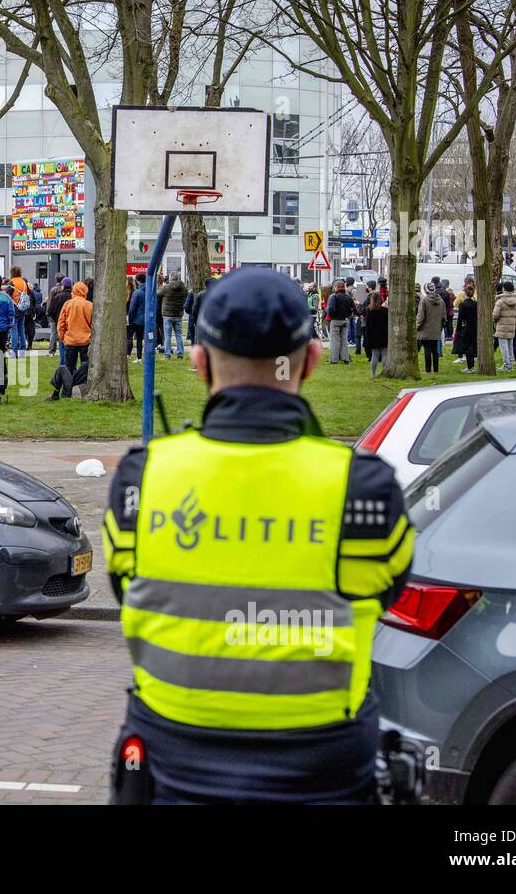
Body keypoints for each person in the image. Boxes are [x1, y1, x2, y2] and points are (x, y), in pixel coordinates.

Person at [102, 266, 411, 804]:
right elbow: (387, 589)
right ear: (310, 360)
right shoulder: (362, 486)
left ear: (199, 363)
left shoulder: (142, 478)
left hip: (172, 767)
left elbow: (129, 589)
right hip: (323, 772)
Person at [57, 280, 93, 373]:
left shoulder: (68, 304)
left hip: (70, 340)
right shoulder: (90, 305)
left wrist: (62, 337)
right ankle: (83, 385)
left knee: (69, 367)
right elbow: (93, 324)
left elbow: (61, 322)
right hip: (85, 340)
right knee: (85, 367)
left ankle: (69, 385)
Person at [416, 282, 446, 374]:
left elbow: (421, 317)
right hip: (436, 329)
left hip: (425, 330)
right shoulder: (441, 301)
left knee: (427, 350)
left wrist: (417, 327)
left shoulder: (424, 301)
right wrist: (440, 327)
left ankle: (428, 370)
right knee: (435, 351)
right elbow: (444, 317)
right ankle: (436, 370)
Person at [325, 279, 355, 364]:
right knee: (344, 340)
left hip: (335, 320)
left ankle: (334, 359)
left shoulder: (333, 296)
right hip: (345, 320)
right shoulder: (348, 297)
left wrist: (327, 311)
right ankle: (345, 358)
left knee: (335, 341)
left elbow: (331, 309)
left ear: (336, 287)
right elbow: (353, 308)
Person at [492, 281, 516, 371]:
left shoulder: (500, 301)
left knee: (503, 347)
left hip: (501, 327)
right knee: (510, 345)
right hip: (511, 326)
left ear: (504, 289)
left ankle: (507, 364)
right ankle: (511, 362)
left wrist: (494, 321)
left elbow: (495, 315)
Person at [160, 271, 187, 360]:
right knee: (178, 335)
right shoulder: (183, 288)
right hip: (178, 314)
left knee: (167, 336)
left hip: (167, 314)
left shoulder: (166, 288)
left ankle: (167, 355)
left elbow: (158, 294)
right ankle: (180, 354)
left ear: (170, 278)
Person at [46, 278, 73, 363]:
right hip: (71, 323)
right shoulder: (73, 296)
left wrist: (56, 318)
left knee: (61, 341)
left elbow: (50, 311)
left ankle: (62, 363)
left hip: (60, 322)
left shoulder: (58, 296)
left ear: (63, 286)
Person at [453, 281, 477, 373]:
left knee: (466, 347)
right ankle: (471, 366)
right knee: (471, 346)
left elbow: (460, 318)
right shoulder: (475, 304)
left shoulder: (463, 305)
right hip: (473, 327)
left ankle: (469, 367)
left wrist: (458, 329)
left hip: (465, 327)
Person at [364, 290, 388, 377]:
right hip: (384, 334)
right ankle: (385, 371)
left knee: (375, 355)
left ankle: (373, 373)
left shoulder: (368, 310)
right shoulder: (385, 311)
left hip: (372, 335)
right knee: (385, 353)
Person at [7, 265, 30, 354]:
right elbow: (28, 293)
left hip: (14, 309)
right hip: (22, 309)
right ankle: (23, 349)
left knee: (14, 330)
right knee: (21, 329)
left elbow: (8, 296)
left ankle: (14, 350)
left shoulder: (11, 282)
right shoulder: (24, 282)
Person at [127, 274, 146, 361]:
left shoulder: (137, 293)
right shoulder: (149, 292)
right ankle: (139, 357)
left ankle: (128, 354)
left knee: (130, 337)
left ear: (138, 281)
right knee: (139, 339)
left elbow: (132, 308)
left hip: (135, 319)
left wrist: (130, 320)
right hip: (144, 319)